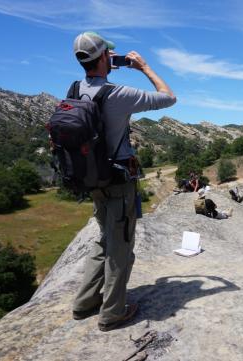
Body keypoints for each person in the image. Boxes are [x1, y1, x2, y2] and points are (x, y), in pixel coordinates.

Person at [71, 31, 176, 332]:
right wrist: (143, 67)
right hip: (118, 181)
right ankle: (112, 312)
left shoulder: (75, 90)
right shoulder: (118, 94)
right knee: (121, 247)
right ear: (104, 57)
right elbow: (169, 97)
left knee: (104, 239)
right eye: (108, 55)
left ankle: (84, 303)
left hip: (93, 181)